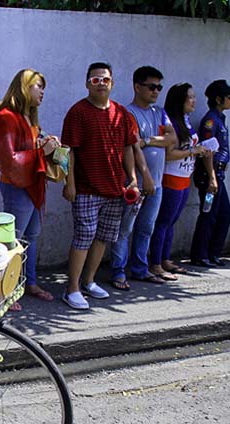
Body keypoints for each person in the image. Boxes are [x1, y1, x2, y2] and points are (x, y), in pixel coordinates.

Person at [60, 62, 139, 310]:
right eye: (95, 80)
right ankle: (71, 288)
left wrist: (133, 178)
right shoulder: (78, 113)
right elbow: (68, 152)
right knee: (83, 238)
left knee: (104, 238)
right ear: (87, 84)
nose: (101, 83)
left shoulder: (122, 114)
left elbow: (128, 148)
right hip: (85, 189)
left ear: (112, 83)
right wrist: (69, 183)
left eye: (105, 79)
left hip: (115, 190)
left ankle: (89, 281)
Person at [0, 68, 60, 307]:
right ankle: (6, 290)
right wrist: (43, 151)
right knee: (13, 240)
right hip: (17, 186)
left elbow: (29, 150)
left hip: (33, 185)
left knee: (30, 237)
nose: (42, 91)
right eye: (38, 85)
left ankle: (29, 283)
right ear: (24, 86)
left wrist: (45, 143)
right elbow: (9, 160)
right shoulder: (6, 116)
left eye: (43, 86)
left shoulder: (29, 117)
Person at [110, 66, 175, 289]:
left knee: (146, 227)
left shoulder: (160, 112)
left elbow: (171, 139)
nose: (156, 91)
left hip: (156, 182)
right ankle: (118, 271)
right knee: (125, 228)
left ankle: (140, 268)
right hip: (136, 183)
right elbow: (131, 146)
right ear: (137, 87)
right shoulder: (127, 113)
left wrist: (148, 140)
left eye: (159, 87)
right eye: (151, 87)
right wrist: (142, 177)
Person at [150, 83, 207, 274]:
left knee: (172, 222)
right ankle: (156, 263)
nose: (194, 100)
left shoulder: (186, 120)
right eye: (190, 97)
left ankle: (165, 259)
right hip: (171, 177)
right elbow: (168, 153)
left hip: (185, 177)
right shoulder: (170, 121)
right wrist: (193, 150)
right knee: (163, 221)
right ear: (179, 99)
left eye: (194, 96)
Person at [189, 79, 230, 268]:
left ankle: (212, 253)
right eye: (229, 96)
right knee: (209, 214)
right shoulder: (210, 120)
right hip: (210, 175)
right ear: (218, 99)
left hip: (218, 175)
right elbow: (207, 151)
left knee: (224, 214)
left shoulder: (220, 119)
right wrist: (211, 177)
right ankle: (200, 255)